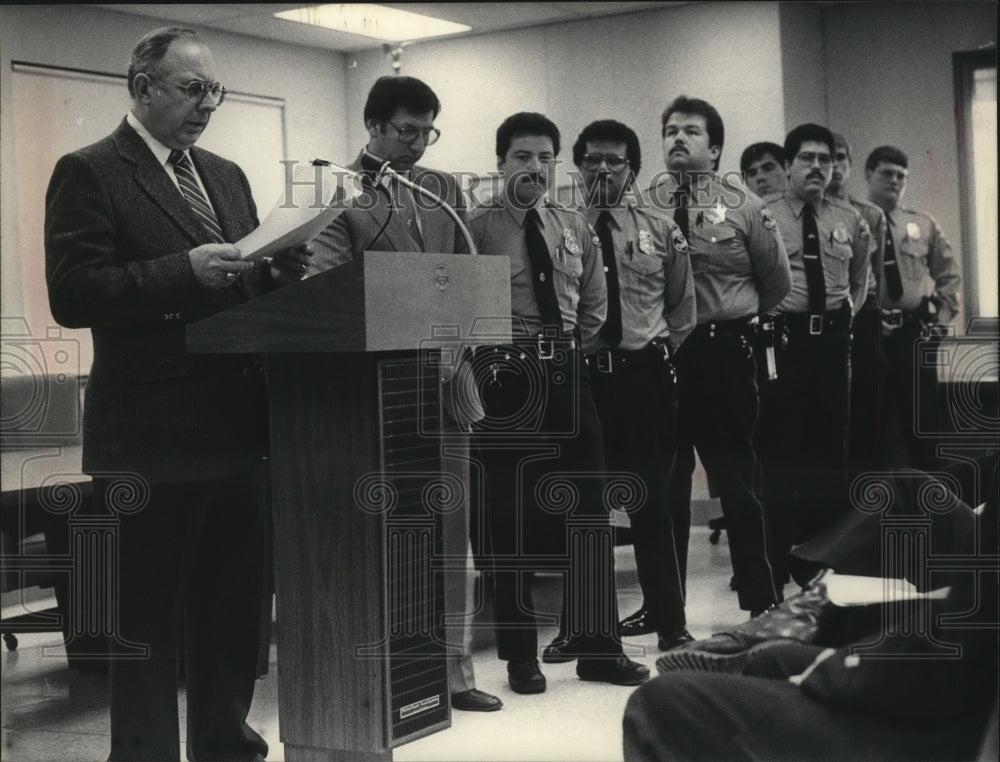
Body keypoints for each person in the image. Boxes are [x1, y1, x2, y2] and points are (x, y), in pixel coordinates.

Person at [44, 27, 309, 761]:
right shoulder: (90, 170)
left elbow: (239, 278)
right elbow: (73, 292)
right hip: (151, 438)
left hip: (237, 427)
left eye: (214, 91)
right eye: (192, 88)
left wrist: (278, 271)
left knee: (234, 616)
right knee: (148, 628)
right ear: (142, 86)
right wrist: (183, 271)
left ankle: (228, 746)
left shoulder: (224, 174)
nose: (207, 104)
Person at [308, 75, 502, 713]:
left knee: (450, 532)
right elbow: (327, 284)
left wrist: (452, 346)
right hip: (378, 391)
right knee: (384, 532)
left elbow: (465, 274)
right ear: (373, 126)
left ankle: (453, 674)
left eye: (428, 131)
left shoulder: (443, 189)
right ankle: (388, 673)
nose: (419, 143)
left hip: (445, 384)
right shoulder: (338, 189)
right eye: (406, 131)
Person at [624, 461, 999, 762]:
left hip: (963, 722)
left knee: (663, 701)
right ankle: (803, 613)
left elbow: (958, 641)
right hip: (962, 672)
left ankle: (803, 613)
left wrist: (831, 668)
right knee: (771, 658)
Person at [468, 112, 650, 694]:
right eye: (523, 156)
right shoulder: (472, 227)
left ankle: (599, 648)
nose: (535, 168)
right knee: (509, 519)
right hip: (505, 377)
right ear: (501, 162)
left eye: (546, 158)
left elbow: (595, 308)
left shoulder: (572, 224)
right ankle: (520, 655)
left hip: (568, 371)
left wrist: (565, 351)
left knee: (590, 512)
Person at [558, 119, 695, 656]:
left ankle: (670, 621)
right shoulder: (559, 228)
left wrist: (649, 355)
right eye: (592, 159)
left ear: (633, 169)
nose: (603, 169)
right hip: (586, 379)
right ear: (578, 166)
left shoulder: (662, 230)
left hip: (645, 379)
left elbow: (682, 312)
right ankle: (584, 628)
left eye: (615, 160)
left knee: (652, 505)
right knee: (584, 507)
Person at [651, 96, 790, 618]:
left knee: (736, 481)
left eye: (690, 131)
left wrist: (728, 317)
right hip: (664, 358)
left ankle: (761, 602)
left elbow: (776, 283)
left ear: (715, 147)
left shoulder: (744, 206)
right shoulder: (645, 205)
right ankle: (668, 611)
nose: (677, 139)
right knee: (668, 484)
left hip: (724, 354)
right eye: (669, 130)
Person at [757, 124, 871, 587]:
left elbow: (860, 280)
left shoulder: (848, 220)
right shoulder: (763, 216)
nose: (818, 167)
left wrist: (842, 318)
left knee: (831, 452)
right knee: (782, 451)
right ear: (787, 166)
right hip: (784, 343)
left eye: (825, 159)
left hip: (832, 345)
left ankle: (821, 559)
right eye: (807, 158)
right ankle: (776, 559)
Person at [866, 145, 962, 472]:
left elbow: (949, 275)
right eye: (887, 173)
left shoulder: (922, 224)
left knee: (924, 422)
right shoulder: (856, 220)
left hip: (912, 333)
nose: (895, 181)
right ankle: (870, 511)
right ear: (868, 174)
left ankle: (934, 506)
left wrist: (940, 320)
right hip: (869, 333)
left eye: (901, 176)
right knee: (869, 423)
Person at [827, 133, 889, 477]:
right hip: (829, 316)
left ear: (850, 165)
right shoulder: (813, 213)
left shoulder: (870, 215)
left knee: (868, 402)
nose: (834, 166)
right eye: (827, 157)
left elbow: (872, 274)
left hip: (863, 314)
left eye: (840, 158)